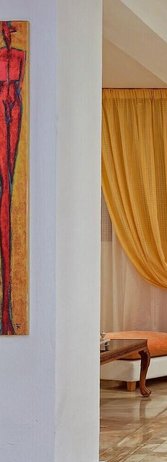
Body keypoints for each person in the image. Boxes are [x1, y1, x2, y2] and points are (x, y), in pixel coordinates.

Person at [0, 21, 24, 335]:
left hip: (12, 111)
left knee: (8, 189)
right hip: (6, 111)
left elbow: (16, 94)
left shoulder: (19, 56)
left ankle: (7, 310)